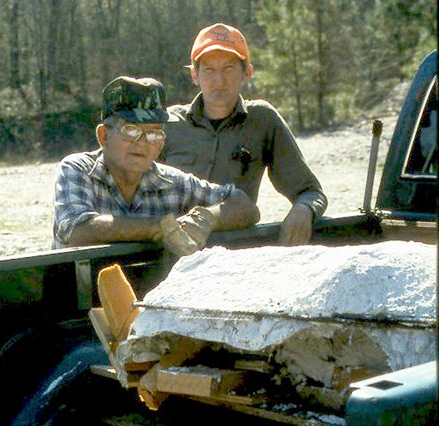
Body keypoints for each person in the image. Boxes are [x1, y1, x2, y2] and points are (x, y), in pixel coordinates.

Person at [53, 76, 259, 256]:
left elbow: (244, 206)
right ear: (103, 136)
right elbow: (76, 232)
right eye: (131, 130)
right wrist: (158, 227)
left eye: (153, 133)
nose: (142, 142)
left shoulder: (173, 182)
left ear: (161, 143)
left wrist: (206, 219)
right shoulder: (78, 170)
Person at [162, 23, 328, 246]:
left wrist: (304, 209)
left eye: (229, 68)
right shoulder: (168, 124)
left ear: (247, 72)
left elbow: (310, 192)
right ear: (194, 75)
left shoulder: (261, 120)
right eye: (209, 70)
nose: (219, 81)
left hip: (235, 253)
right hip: (172, 253)